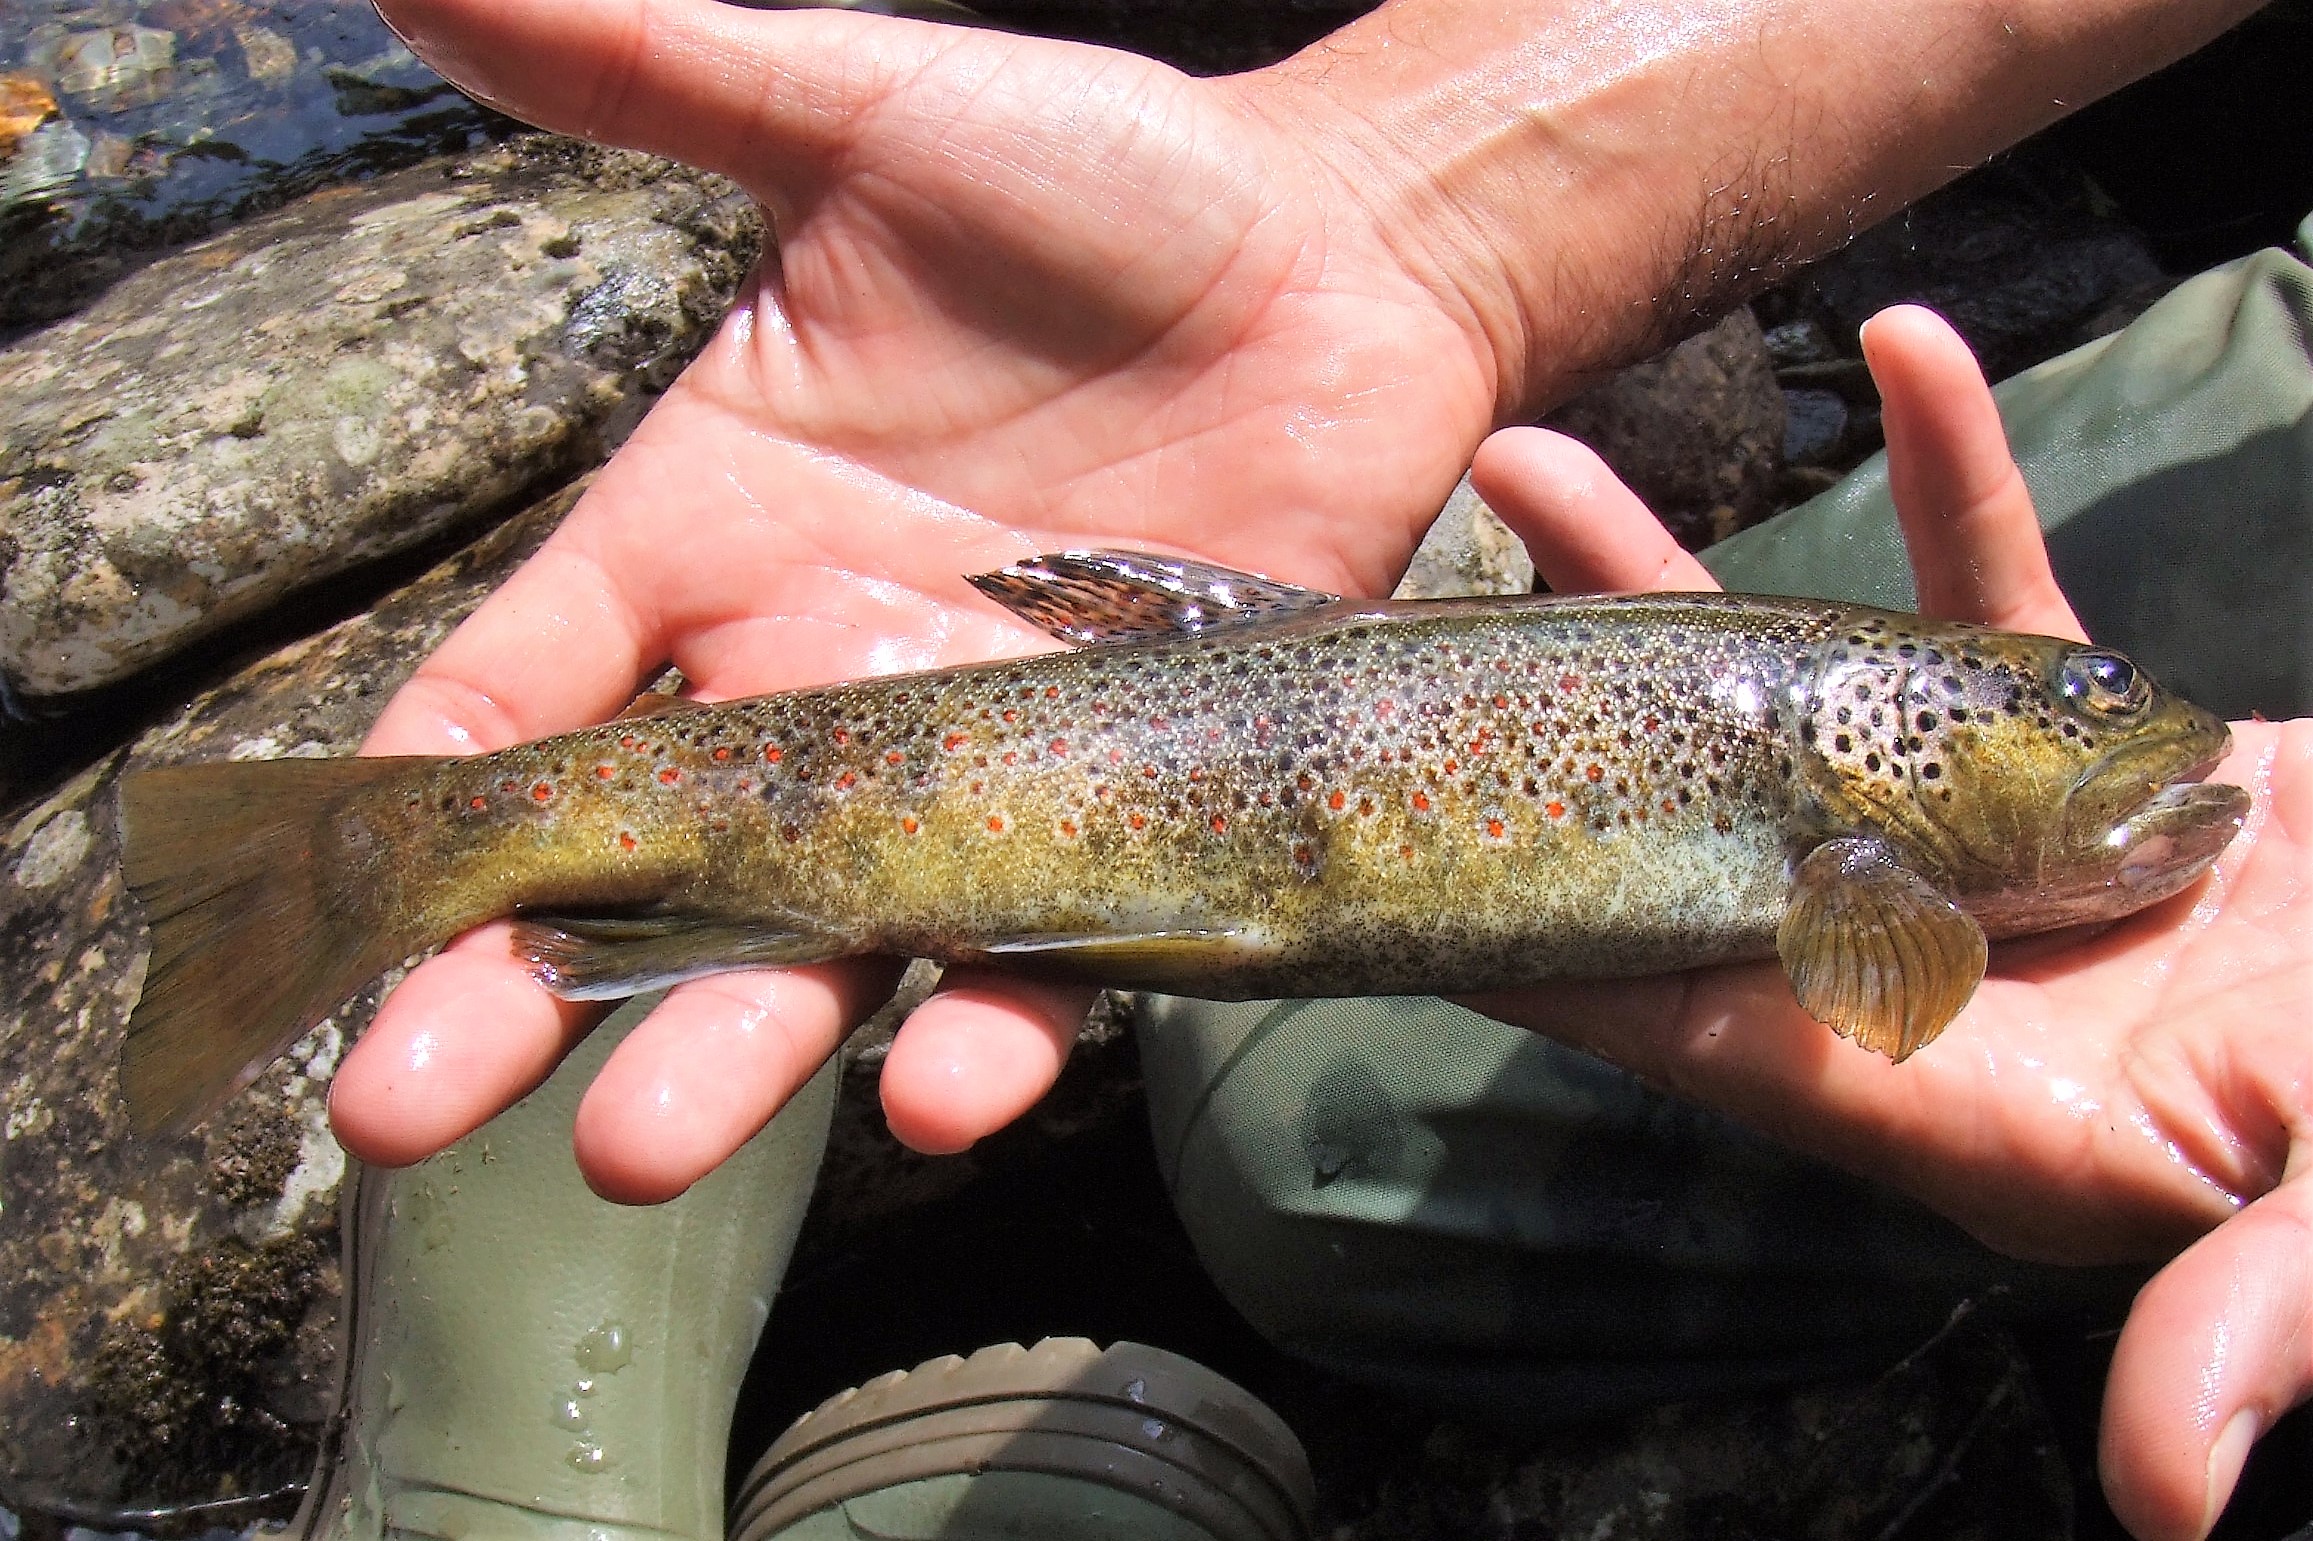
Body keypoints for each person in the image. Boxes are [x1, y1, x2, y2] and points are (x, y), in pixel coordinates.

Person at [311, 0, 2308, 1535]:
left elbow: (1905, 989)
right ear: (1894, 761)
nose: (2144, 746)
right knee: (1297, 1140)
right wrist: (1390, 197)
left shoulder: (1883, 873)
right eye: (2086, 710)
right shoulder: (1868, 861)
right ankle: (444, 866)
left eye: (2087, 714)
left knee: (1314, 1157)